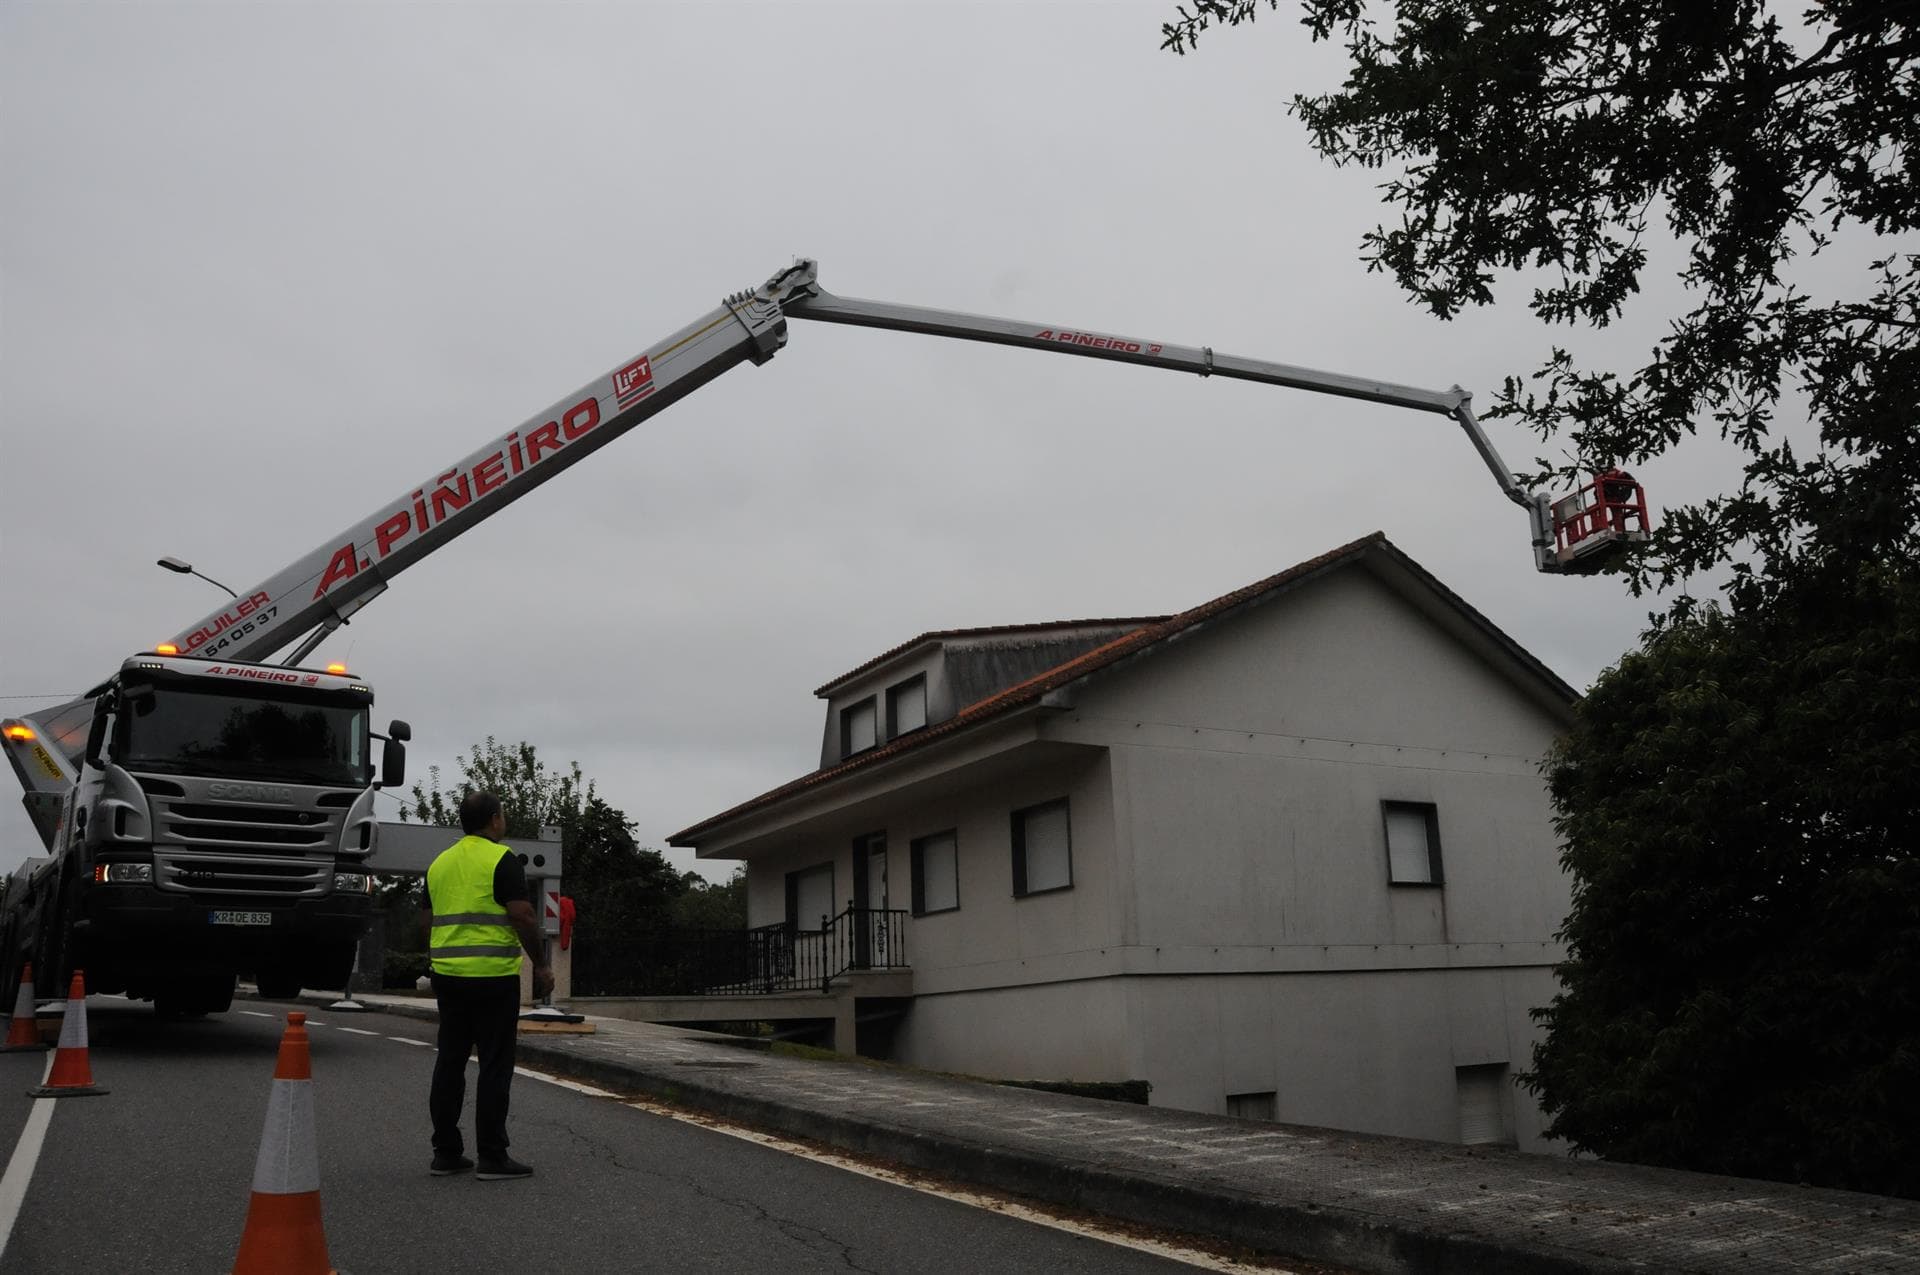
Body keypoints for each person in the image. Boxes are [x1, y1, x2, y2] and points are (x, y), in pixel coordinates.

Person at [423, 790, 555, 1180]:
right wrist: (542, 967)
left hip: (448, 979)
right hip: (494, 979)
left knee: (450, 1062)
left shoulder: (439, 864)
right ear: (495, 820)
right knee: (495, 1065)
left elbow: (426, 919)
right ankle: (493, 1157)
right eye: (504, 815)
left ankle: (445, 1153)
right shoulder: (502, 859)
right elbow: (524, 917)